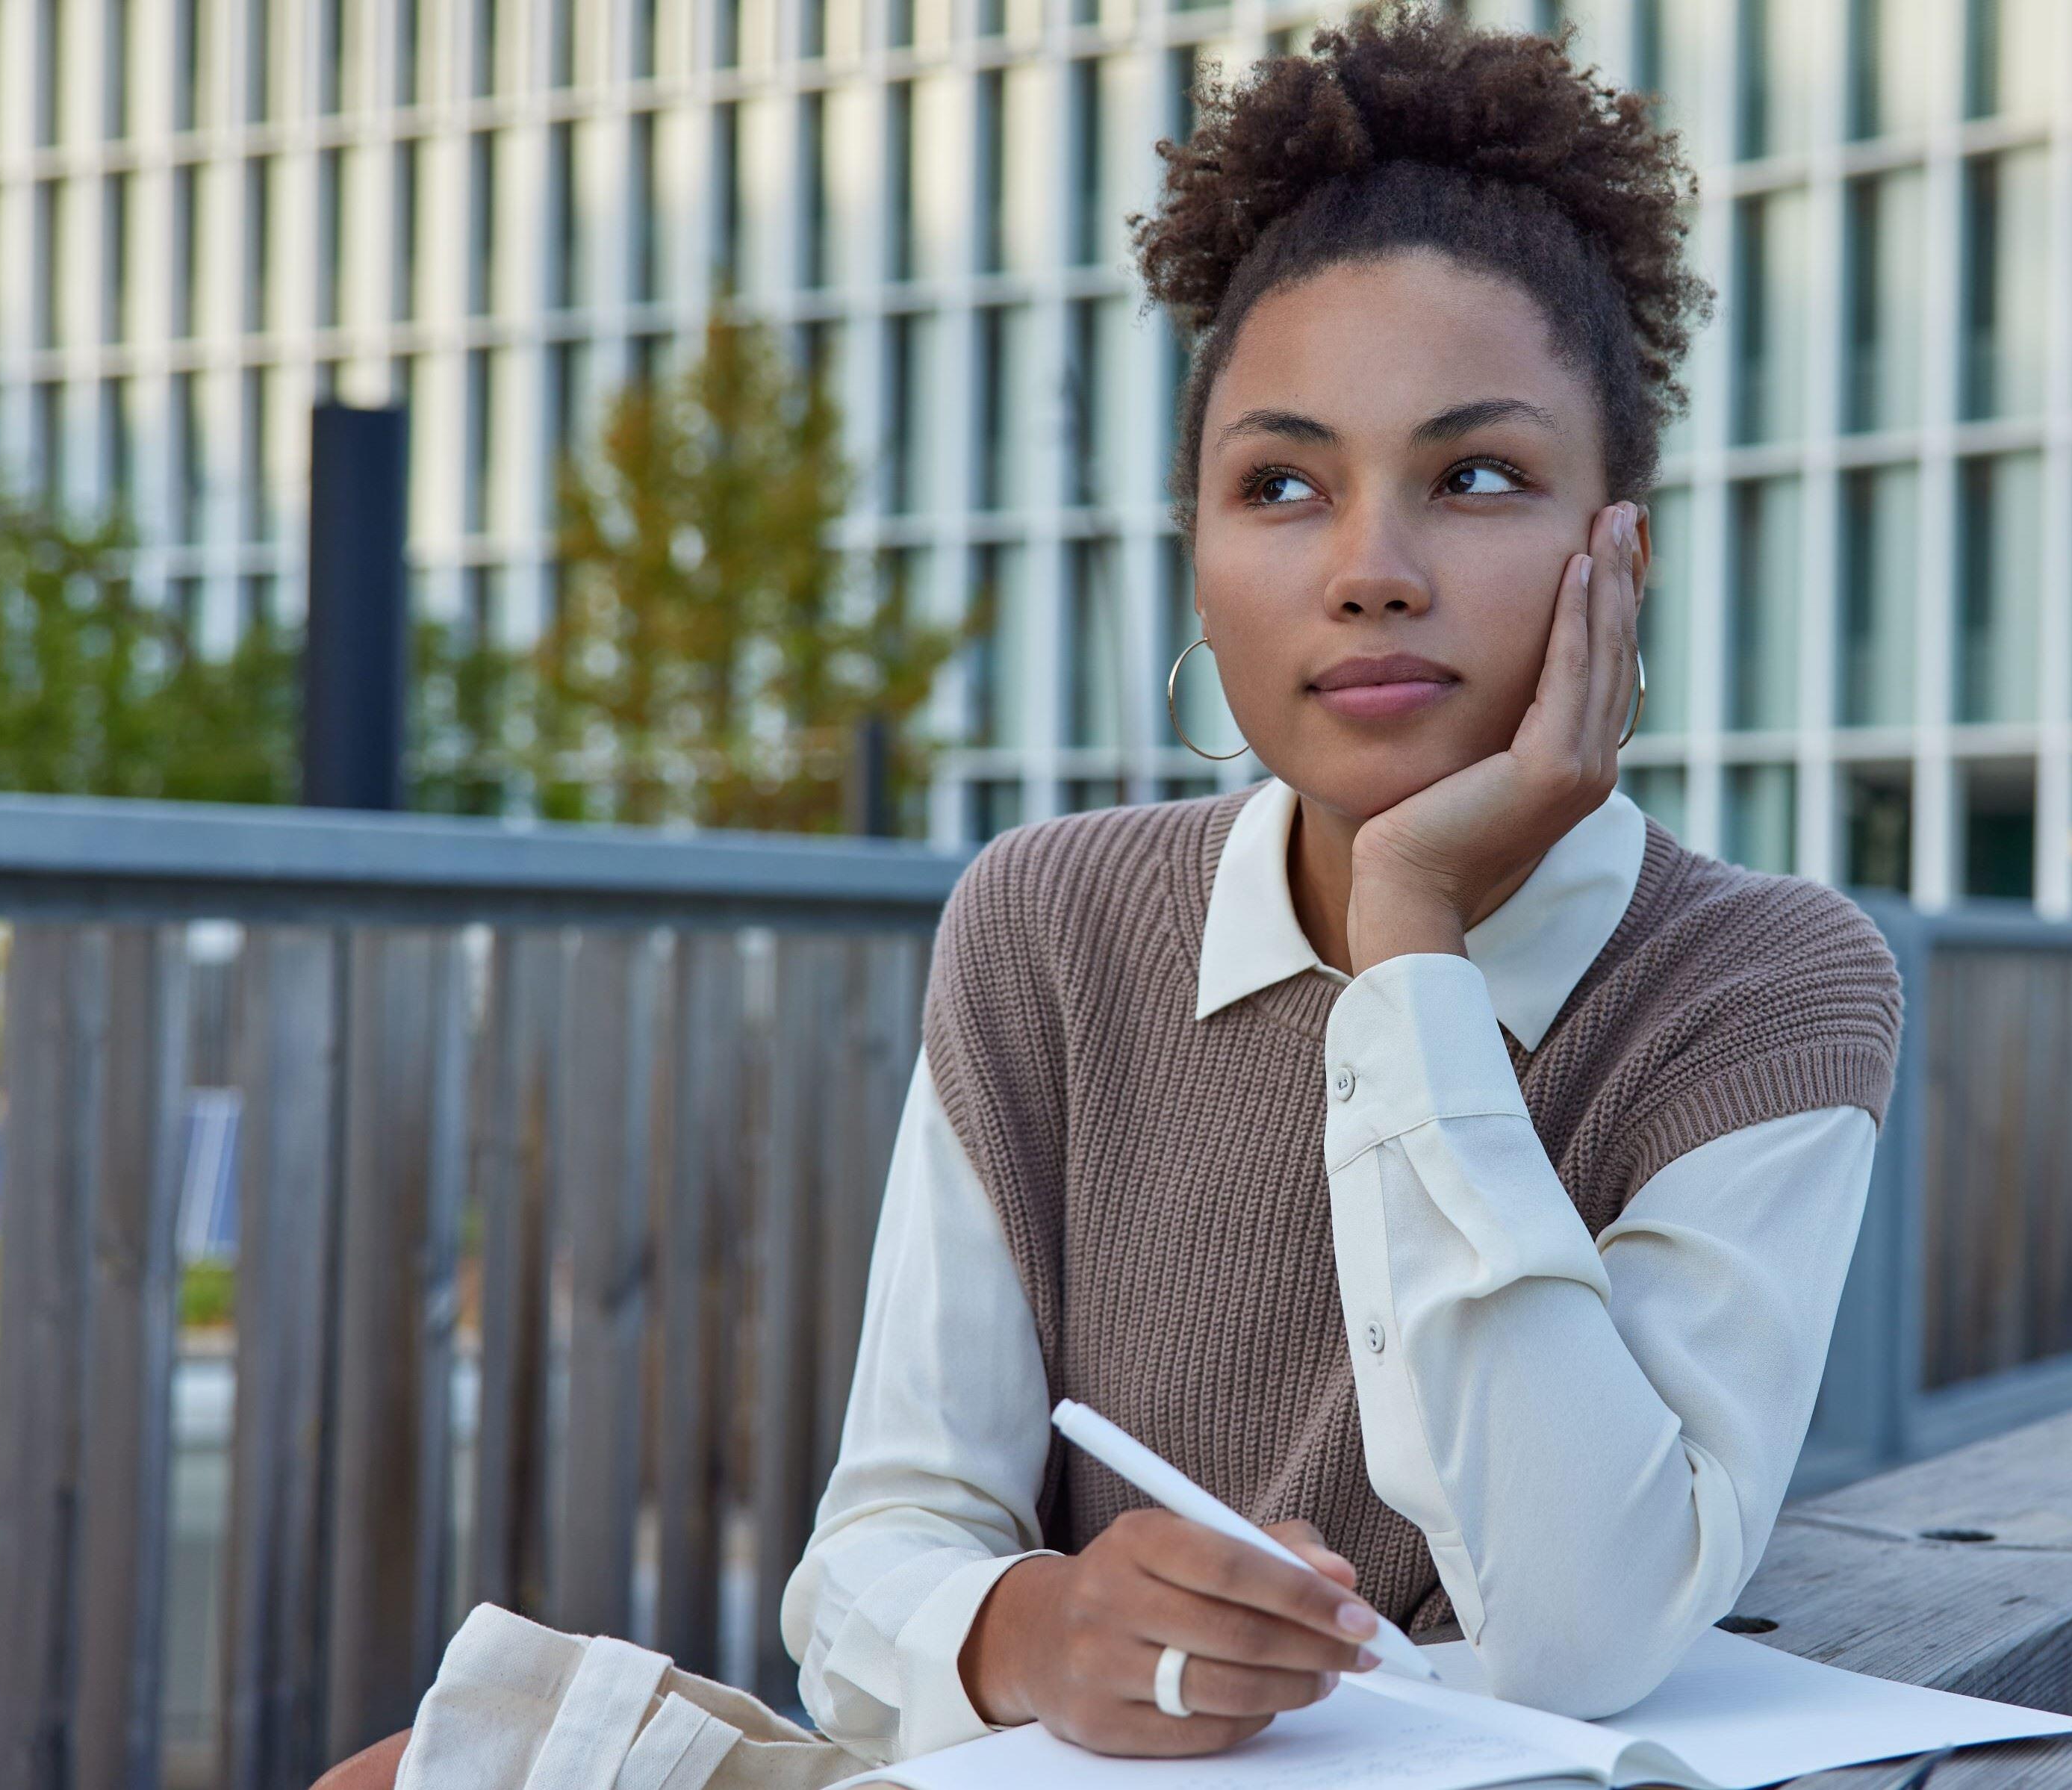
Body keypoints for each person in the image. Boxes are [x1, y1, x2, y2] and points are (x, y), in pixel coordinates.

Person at [317, 7, 1900, 1785]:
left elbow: (1584, 1627)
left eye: (1472, 477)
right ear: (1199, 562)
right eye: (1280, 485)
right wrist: (1035, 1628)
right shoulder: (1052, 921)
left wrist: (1409, 945)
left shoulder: (1762, 979)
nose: (1368, 571)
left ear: (1621, 549)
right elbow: (878, 1548)